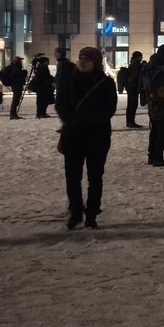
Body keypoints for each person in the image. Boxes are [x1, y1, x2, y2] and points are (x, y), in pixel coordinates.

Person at [55, 47, 118, 230]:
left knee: (95, 177)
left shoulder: (105, 82)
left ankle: (91, 213)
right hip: (73, 135)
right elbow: (61, 104)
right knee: (72, 177)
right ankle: (75, 212)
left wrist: (91, 121)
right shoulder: (69, 81)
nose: (82, 62)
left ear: (95, 62)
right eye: (80, 58)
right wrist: (72, 120)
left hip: (97, 136)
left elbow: (109, 108)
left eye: (87, 59)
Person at [123, 51, 145, 128]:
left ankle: (130, 121)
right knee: (132, 105)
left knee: (131, 105)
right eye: (141, 56)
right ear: (138, 57)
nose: (142, 58)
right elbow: (135, 76)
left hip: (130, 87)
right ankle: (130, 122)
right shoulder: (136, 65)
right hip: (133, 87)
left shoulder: (132, 64)